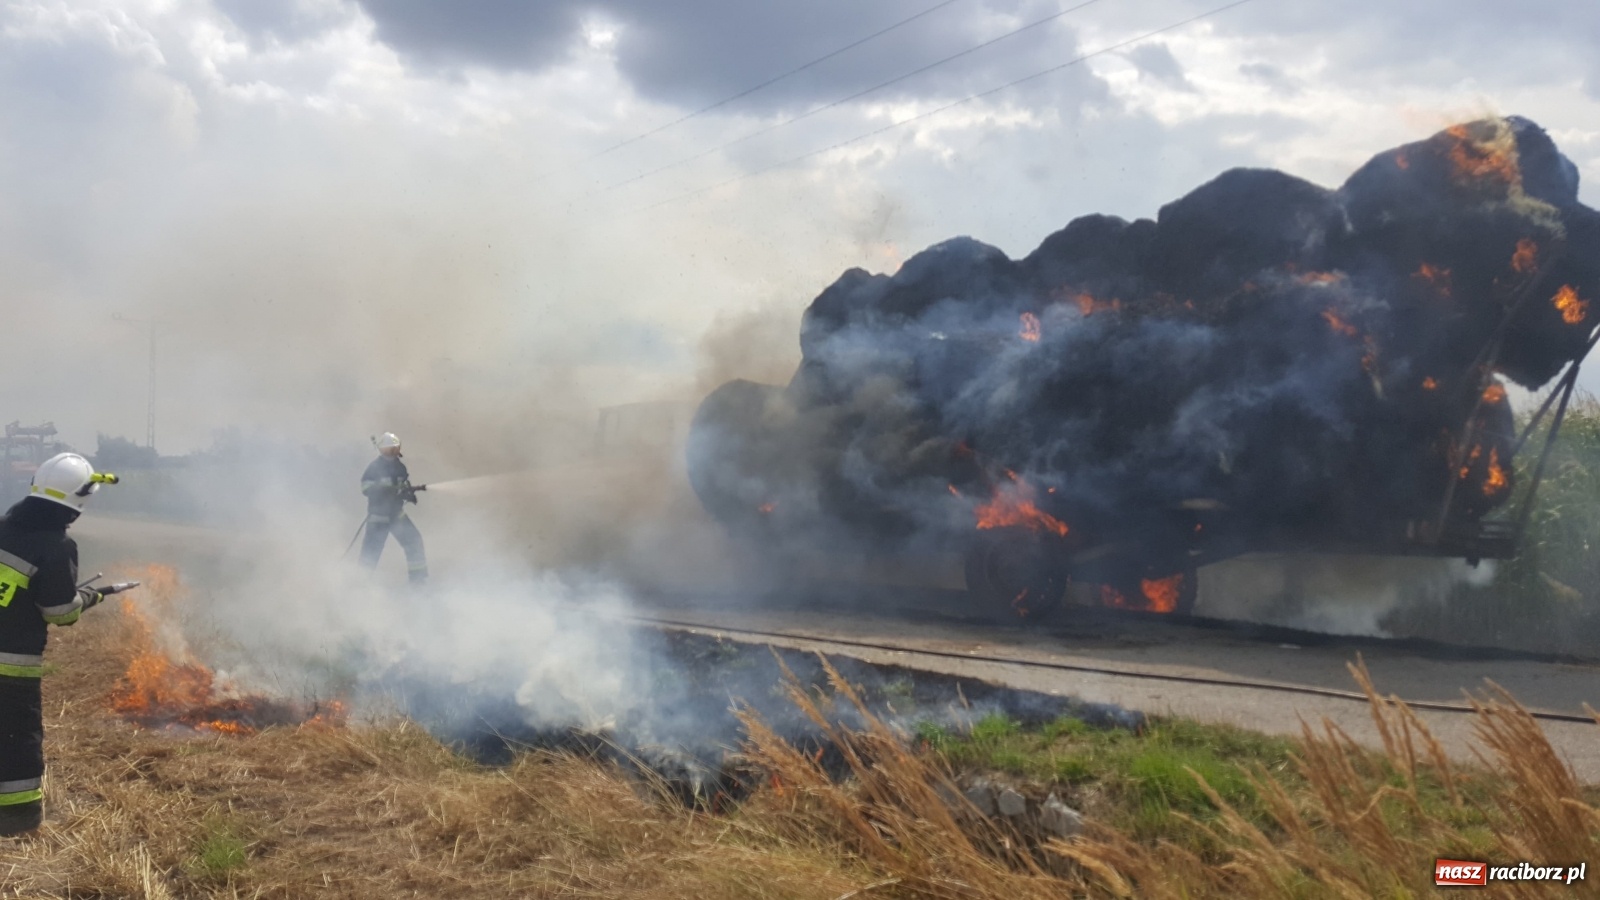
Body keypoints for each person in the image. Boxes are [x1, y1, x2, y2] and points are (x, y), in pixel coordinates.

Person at [0, 453, 125, 836]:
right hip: (10, 668)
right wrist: (91, 597)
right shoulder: (55, 546)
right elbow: (58, 612)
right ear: (78, 502)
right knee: (16, 742)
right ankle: (17, 824)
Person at [358, 432, 427, 583]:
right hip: (378, 518)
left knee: (414, 541)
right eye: (390, 449)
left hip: (396, 515)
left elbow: (401, 487)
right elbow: (365, 487)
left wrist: (407, 494)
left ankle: (419, 582)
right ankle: (358, 587)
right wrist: (384, 490)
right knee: (370, 554)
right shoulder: (374, 467)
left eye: (395, 449)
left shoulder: (400, 468)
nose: (393, 453)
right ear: (383, 450)